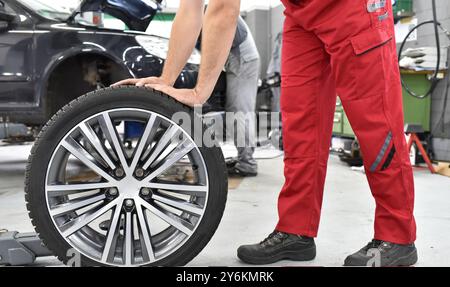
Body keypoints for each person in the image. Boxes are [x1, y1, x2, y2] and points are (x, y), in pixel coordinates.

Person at [115, 0, 418, 267]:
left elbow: (223, 8)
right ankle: (296, 231)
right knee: (301, 128)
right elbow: (191, 7)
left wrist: (198, 92)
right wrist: (167, 81)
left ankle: (397, 237)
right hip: (301, 13)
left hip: (353, 8)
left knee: (376, 123)